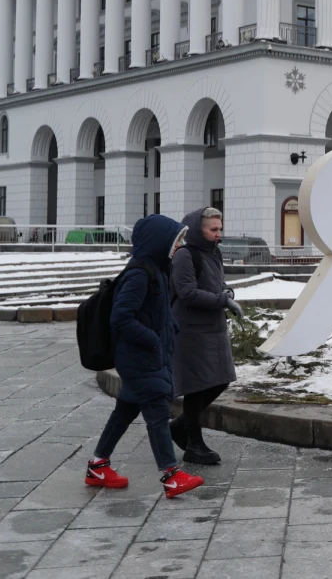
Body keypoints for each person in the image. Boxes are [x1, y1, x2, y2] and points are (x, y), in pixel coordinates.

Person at [85, 214, 206, 499]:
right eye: (176, 240)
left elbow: (155, 312)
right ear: (160, 240)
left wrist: (170, 329)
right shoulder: (140, 274)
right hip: (140, 358)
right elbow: (121, 318)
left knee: (125, 411)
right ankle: (171, 475)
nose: (179, 245)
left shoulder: (156, 269)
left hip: (145, 356)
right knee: (157, 414)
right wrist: (152, 340)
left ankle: (98, 465)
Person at [169, 207, 243, 465]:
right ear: (198, 230)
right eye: (213, 229)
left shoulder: (214, 252)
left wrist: (227, 292)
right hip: (191, 330)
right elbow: (187, 293)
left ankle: (180, 426)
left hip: (213, 327)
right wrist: (223, 300)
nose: (218, 234)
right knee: (197, 385)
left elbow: (217, 283)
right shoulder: (185, 255)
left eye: (220, 229)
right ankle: (194, 443)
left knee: (221, 379)